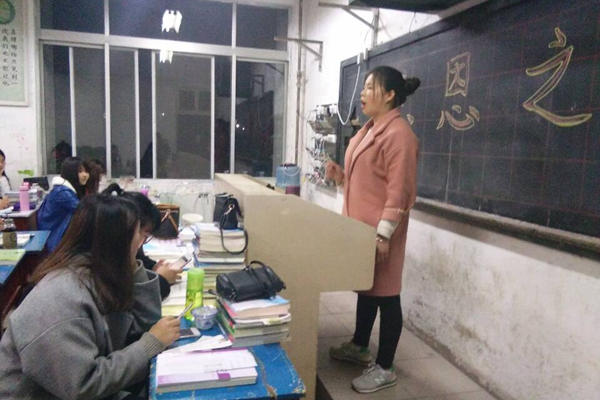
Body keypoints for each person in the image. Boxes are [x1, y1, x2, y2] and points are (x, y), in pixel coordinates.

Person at [0, 194, 181, 399]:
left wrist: (133, 267)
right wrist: (151, 343)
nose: (140, 243)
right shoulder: (61, 298)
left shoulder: (97, 276)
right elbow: (83, 386)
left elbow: (141, 327)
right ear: (114, 241)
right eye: (138, 234)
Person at [326, 66, 420, 394]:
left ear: (390, 94)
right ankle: (359, 345)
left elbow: (399, 192)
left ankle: (385, 367)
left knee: (387, 295)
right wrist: (340, 177)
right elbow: (367, 179)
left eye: (370, 87)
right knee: (367, 288)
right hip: (361, 229)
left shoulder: (399, 135)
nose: (363, 94)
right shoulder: (369, 129)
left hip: (382, 232)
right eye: (364, 87)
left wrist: (383, 234)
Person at [103, 183, 183, 299]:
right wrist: (161, 279)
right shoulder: (108, 259)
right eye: (144, 234)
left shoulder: (124, 246)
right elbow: (135, 298)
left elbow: (139, 258)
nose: (141, 241)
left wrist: (153, 267)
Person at [36, 157, 88, 252]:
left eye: (85, 171)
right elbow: (83, 210)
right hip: (54, 238)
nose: (85, 175)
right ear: (71, 173)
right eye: (80, 171)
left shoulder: (66, 190)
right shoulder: (62, 193)